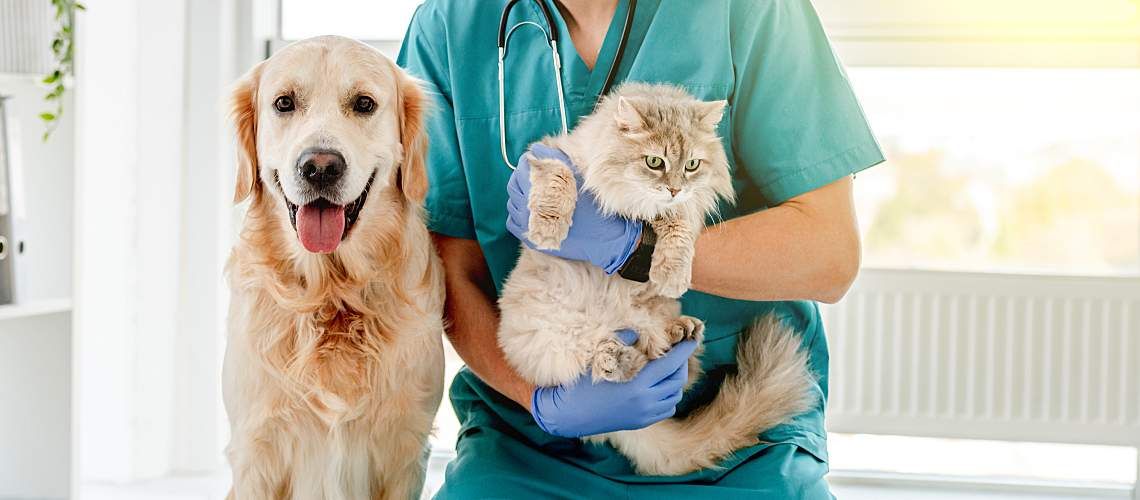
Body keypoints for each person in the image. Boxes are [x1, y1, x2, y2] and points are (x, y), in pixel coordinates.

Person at [398, 0, 883, 497]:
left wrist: (640, 249)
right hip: (525, 437)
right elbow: (449, 271)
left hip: (737, 446)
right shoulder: (451, 24)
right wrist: (543, 401)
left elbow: (830, 255)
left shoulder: (753, 10)